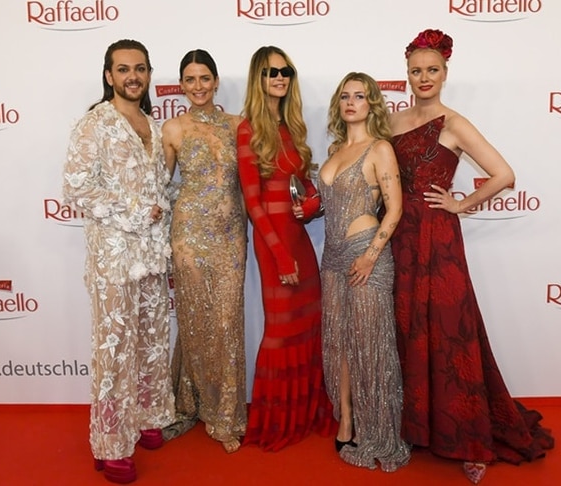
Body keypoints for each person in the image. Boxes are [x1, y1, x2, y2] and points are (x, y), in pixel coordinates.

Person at [389, 28, 555, 484]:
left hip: (438, 240)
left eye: (432, 70)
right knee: (408, 330)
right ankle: (417, 428)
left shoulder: (453, 123)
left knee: (449, 334)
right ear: (407, 75)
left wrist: (460, 204)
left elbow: (504, 174)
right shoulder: (393, 121)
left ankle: (470, 438)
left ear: (445, 73)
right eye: (416, 71)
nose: (424, 78)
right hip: (399, 239)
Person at [62, 39, 175, 484]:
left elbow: (158, 188)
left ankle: (145, 414)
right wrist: (135, 210)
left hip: (150, 255)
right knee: (114, 350)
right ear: (109, 75)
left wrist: (165, 207)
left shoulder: (150, 122)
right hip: (113, 256)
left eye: (140, 68)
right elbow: (76, 189)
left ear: (148, 74)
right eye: (123, 69)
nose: (133, 76)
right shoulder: (95, 124)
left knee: (150, 340)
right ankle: (109, 441)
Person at [237, 45, 336, 451]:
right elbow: (253, 201)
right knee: (280, 331)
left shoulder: (292, 128)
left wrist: (313, 202)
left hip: (298, 236)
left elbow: (301, 189)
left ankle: (307, 411)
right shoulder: (247, 129)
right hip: (273, 240)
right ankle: (276, 419)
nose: (280, 78)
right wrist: (279, 255)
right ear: (258, 78)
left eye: (286, 72)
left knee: (309, 324)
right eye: (271, 72)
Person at [317, 72, 410, 472]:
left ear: (372, 103)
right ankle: (347, 419)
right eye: (345, 97)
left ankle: (378, 427)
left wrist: (372, 254)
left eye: (359, 96)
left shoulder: (380, 149)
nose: (351, 102)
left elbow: (394, 208)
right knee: (339, 342)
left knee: (369, 344)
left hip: (366, 255)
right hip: (333, 257)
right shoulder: (335, 150)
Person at [160, 49, 247, 454]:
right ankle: (191, 404)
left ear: (215, 81)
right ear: (182, 85)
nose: (198, 86)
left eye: (204, 78)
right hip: (189, 236)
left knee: (227, 321)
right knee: (195, 321)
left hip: (231, 235)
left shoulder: (237, 125)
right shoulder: (173, 128)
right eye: (190, 79)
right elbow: (159, 184)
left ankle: (224, 413)